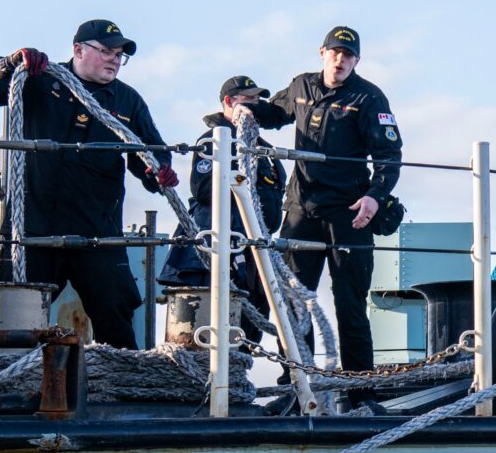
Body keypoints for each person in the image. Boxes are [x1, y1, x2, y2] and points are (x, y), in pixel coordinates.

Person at [0, 19, 176, 348]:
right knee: (13, 320)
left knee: (115, 312)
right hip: (32, 227)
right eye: (107, 51)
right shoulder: (38, 80)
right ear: (78, 50)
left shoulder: (127, 101)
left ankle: (124, 385)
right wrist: (9, 63)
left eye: (120, 55)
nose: (115, 60)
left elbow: (150, 154)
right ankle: (10, 384)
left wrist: (159, 172)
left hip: (97, 229)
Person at [252, 26, 401, 372]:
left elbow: (389, 155)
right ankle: (297, 383)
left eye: (348, 55)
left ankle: (359, 387)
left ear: (357, 61)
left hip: (350, 214)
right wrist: (240, 108)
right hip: (301, 210)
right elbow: (274, 115)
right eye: (335, 52)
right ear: (323, 53)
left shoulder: (370, 98)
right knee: (295, 304)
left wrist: (375, 197)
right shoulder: (301, 85)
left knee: (350, 305)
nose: (341, 59)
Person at [159, 76, 287, 344]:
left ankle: (236, 383)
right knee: (207, 332)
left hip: (253, 250)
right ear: (229, 102)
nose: (255, 106)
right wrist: (241, 170)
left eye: (257, 101)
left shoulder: (264, 149)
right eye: (248, 100)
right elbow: (203, 190)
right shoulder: (212, 142)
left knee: (249, 331)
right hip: (217, 249)